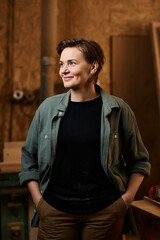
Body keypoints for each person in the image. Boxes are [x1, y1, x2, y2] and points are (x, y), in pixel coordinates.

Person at [19, 38, 150, 240]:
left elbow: (139, 161)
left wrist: (124, 201)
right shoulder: (47, 108)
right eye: (62, 64)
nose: (63, 70)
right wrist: (40, 202)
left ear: (93, 67)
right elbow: (29, 159)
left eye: (71, 63)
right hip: (55, 211)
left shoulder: (118, 109)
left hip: (105, 213)